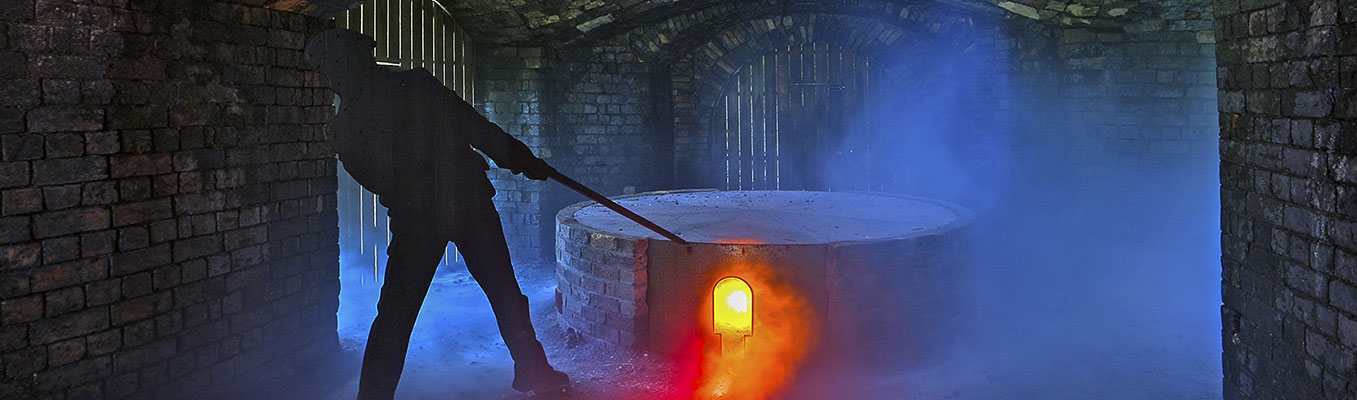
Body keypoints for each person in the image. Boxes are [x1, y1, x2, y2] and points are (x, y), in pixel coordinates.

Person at [304, 28, 570, 399]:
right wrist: (522, 160)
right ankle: (534, 372)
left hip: (417, 219)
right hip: (467, 203)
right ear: (361, 59)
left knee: (394, 317)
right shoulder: (415, 86)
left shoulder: (343, 128)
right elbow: (475, 127)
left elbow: (378, 182)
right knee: (504, 293)